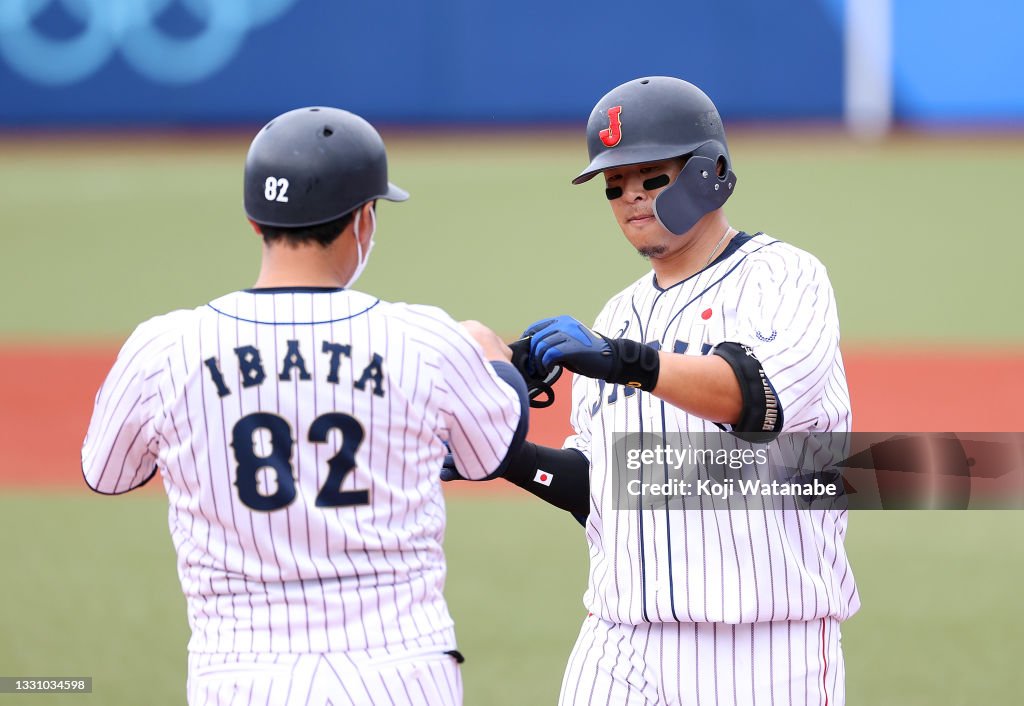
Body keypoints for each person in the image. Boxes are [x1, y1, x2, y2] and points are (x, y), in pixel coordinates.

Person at [81, 106, 529, 706]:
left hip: (238, 673)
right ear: (362, 220)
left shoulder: (164, 347)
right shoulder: (427, 338)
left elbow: (106, 473)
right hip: (399, 669)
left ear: (253, 220)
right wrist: (492, 359)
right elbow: (490, 454)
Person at [453, 76, 860, 704]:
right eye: (615, 186)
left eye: (652, 178)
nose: (631, 198)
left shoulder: (783, 277)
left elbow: (757, 400)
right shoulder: (617, 314)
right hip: (619, 641)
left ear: (711, 171)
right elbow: (599, 488)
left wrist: (625, 362)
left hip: (767, 647)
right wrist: (507, 456)